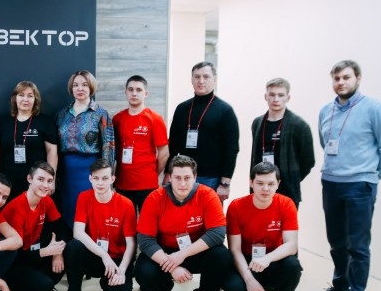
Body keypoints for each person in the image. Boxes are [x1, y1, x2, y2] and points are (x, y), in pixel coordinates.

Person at [309, 60, 381, 291]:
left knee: (358, 246)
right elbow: (326, 143)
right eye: (336, 78)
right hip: (331, 183)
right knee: (337, 242)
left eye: (346, 77)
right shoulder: (325, 110)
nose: (341, 82)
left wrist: (372, 175)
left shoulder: (375, 109)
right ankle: (339, 287)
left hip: (360, 185)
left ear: (358, 78)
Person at [134, 154, 233, 291]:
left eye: (187, 178)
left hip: (195, 250)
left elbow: (218, 233)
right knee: (144, 274)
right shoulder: (155, 198)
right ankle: (163, 288)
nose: (182, 183)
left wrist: (182, 255)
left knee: (222, 256)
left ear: (195, 177)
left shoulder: (207, 195)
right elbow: (145, 240)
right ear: (169, 178)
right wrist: (172, 267)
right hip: (165, 252)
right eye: (177, 178)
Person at [223, 162, 302, 291]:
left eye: (271, 184)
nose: (265, 189)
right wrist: (249, 280)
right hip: (246, 261)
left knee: (293, 265)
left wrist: (267, 258)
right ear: (251, 183)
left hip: (272, 260)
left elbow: (291, 245)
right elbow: (234, 249)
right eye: (260, 183)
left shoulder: (286, 204)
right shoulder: (236, 206)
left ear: (278, 184)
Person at [54, 159, 136, 291]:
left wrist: (122, 270)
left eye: (105, 178)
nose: (100, 183)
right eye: (96, 178)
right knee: (73, 246)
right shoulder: (84, 197)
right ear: (90, 178)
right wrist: (104, 255)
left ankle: (108, 287)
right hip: (96, 256)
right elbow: (78, 233)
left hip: (116, 259)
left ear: (112, 179)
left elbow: (131, 243)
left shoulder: (126, 204)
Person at [1, 162, 69, 291]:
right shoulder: (17, 208)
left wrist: (57, 253)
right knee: (45, 285)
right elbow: (14, 255)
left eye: (49, 181)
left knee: (68, 252)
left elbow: (61, 228)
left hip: (32, 253)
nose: (45, 185)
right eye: (41, 179)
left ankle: (40, 290)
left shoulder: (46, 200)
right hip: (12, 261)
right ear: (29, 179)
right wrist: (46, 252)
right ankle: (11, 288)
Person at [167, 62, 239, 201]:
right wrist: (167, 173)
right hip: (183, 177)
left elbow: (231, 148)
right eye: (197, 76)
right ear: (191, 79)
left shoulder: (225, 110)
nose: (201, 81)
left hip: (212, 178)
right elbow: (173, 145)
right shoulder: (182, 109)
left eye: (206, 76)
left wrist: (225, 183)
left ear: (214, 80)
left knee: (209, 215)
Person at [55, 70, 114, 227]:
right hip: (66, 170)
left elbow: (108, 146)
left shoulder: (100, 114)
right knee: (68, 207)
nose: (79, 88)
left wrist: (106, 175)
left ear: (91, 87)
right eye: (75, 85)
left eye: (84, 85)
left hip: (90, 169)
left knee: (88, 208)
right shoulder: (62, 114)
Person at [250, 77, 315, 206]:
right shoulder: (257, 122)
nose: (276, 99)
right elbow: (255, 155)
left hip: (287, 189)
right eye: (272, 95)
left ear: (288, 98)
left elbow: (308, 161)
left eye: (280, 95)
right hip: (261, 189)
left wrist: (292, 178)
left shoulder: (299, 125)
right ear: (266, 96)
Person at [112, 74, 169, 215]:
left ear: (146, 94)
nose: (134, 93)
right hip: (123, 183)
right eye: (130, 89)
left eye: (138, 90)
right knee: (124, 223)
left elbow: (164, 153)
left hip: (146, 184)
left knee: (147, 224)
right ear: (125, 92)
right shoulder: (117, 119)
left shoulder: (155, 118)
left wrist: (152, 173)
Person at [0, 81, 58, 201]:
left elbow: (52, 152)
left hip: (37, 181)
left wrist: (51, 180)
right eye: (21, 95)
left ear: (36, 100)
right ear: (15, 98)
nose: (25, 99)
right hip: (8, 179)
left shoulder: (45, 121)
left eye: (30, 96)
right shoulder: (3, 121)